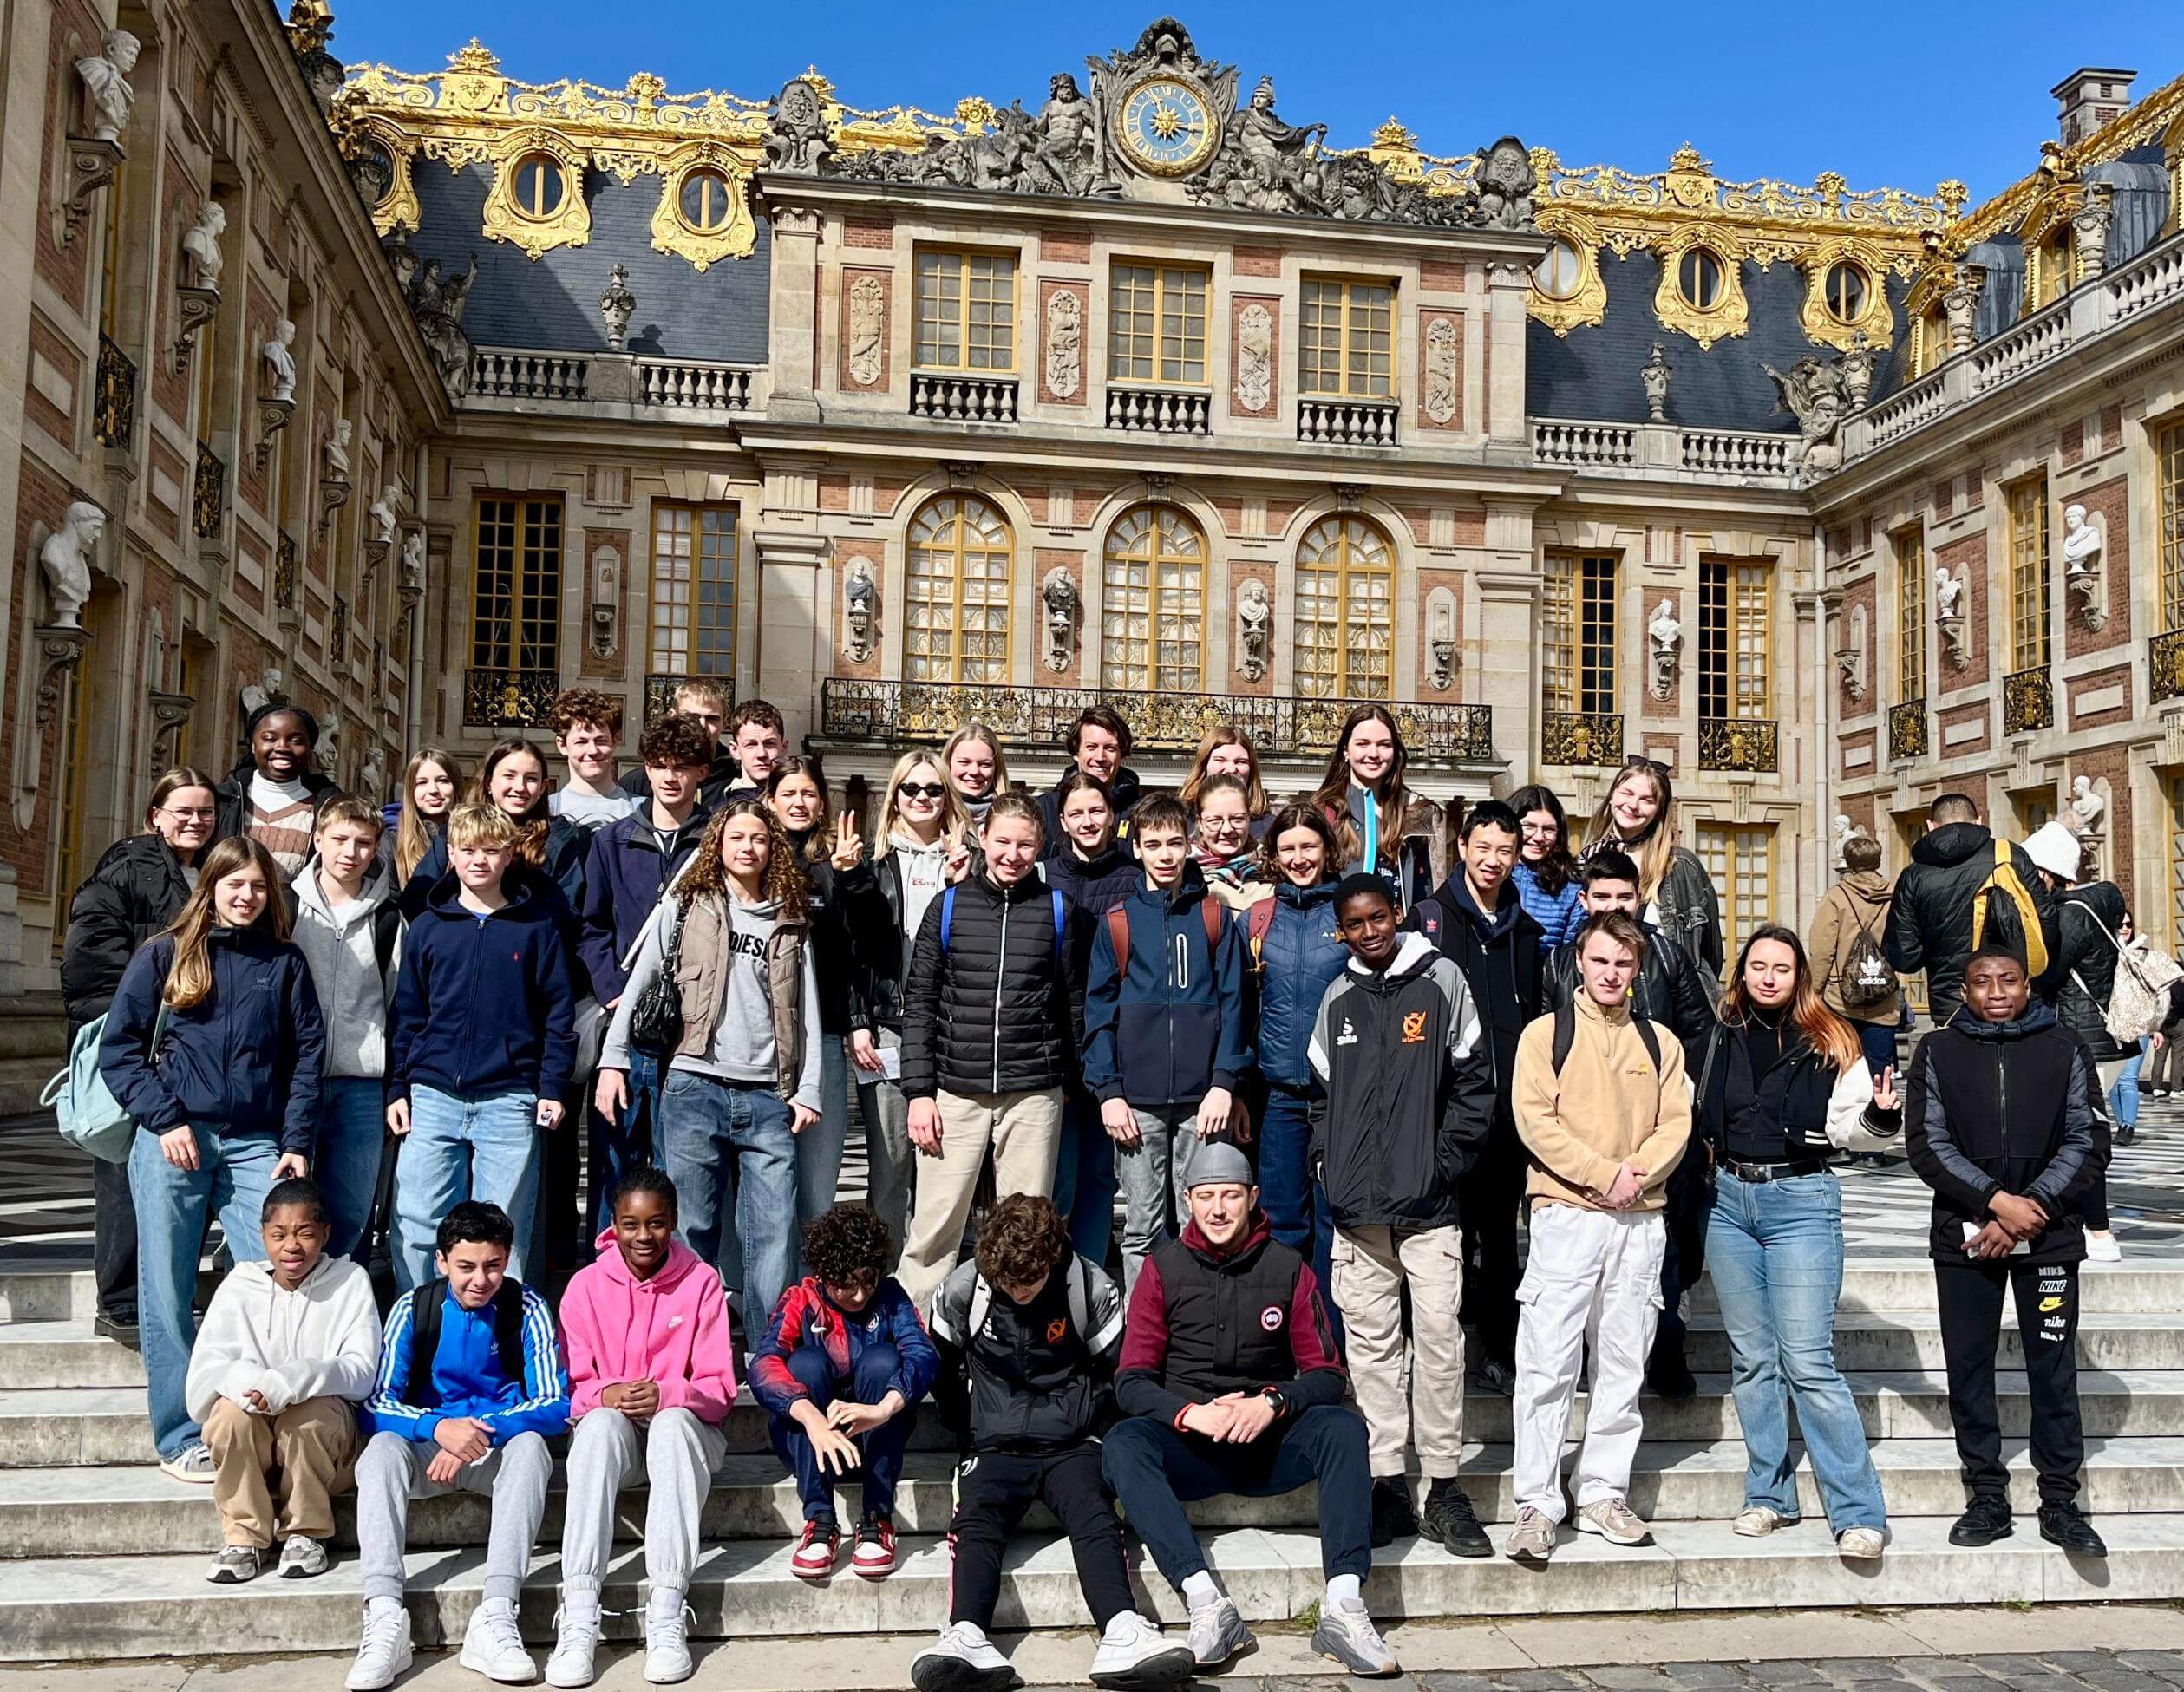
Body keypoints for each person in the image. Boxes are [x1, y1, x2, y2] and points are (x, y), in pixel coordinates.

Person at [1102, 1145, 1396, 1678]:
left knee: (1345, 1428)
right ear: (1188, 1200)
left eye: (1231, 1196)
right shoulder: (1161, 1269)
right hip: (1193, 1446)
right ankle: (1206, 1604)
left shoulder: (1288, 1268)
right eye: (1206, 1196)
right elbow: (1131, 1380)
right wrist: (1189, 1414)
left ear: (1253, 1198)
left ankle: (1344, 1606)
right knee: (1124, 1443)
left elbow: (1328, 1374)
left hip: (1269, 1446)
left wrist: (1275, 1402)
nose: (1218, 1209)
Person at [100, 836, 324, 1480]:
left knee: (272, 1275)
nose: (247, 896)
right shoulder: (166, 953)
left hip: (257, 1139)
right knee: (167, 1283)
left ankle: (263, 1412)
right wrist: (164, 1116)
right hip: (175, 1135)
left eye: (258, 886)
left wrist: (296, 1140)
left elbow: (307, 1058)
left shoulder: (283, 962)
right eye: (236, 884)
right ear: (213, 886)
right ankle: (178, 1430)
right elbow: (120, 1049)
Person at [918, 1195, 1193, 1692]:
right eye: (1008, 1282)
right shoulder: (965, 1287)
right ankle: (966, 1634)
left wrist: (1093, 1423)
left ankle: (1123, 1629)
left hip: (1071, 1441)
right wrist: (965, 1424)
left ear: (1051, 1259)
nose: (1018, 1291)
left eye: (1030, 1280)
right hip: (994, 1443)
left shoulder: (1087, 1286)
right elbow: (936, 1361)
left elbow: (1118, 1371)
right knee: (975, 1518)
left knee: (1095, 1514)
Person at [1694, 925, 1899, 1562]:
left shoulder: (1830, 1038)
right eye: (1758, 965)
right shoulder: (1717, 1036)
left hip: (1800, 1202)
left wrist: (1882, 1118)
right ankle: (1768, 1494)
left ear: (1798, 975)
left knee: (1808, 1361)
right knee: (1753, 1359)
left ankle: (1859, 1511)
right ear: (1742, 972)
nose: (1768, 977)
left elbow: (1854, 1126)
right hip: (1729, 1203)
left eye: (1781, 967)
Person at [1311, 874, 1494, 1556]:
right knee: (1373, 1348)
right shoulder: (1338, 997)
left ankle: (1442, 1483)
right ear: (1343, 930)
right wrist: (1327, 1167)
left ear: (1398, 914)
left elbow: (1476, 1084)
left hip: (1429, 1208)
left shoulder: (1442, 980)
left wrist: (1440, 1166)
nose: (1369, 931)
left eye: (1378, 918)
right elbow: (1318, 1097)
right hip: (1358, 1214)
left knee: (1441, 1344)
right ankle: (1388, 1479)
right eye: (1355, 923)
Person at [1902, 944, 2107, 1558]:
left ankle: (2061, 1499)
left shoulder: (2065, 1046)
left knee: (2053, 1366)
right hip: (1966, 1237)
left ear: (2027, 985)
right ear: (1964, 990)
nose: (1996, 991)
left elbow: (2088, 1138)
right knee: (1969, 1365)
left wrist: (2026, 1212)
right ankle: (1986, 1493)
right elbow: (1927, 1143)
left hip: (2048, 1237)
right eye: (1983, 981)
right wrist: (1994, 1199)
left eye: (2008, 980)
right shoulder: (1937, 1052)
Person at [1503, 912, 1690, 1564]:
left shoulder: (1660, 1041)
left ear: (1638, 969)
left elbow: (1676, 1124)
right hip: (1567, 1212)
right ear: (1580, 960)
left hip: (1640, 1216)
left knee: (1622, 1363)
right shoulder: (1545, 1034)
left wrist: (1635, 1175)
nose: (1612, 974)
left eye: (1624, 963)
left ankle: (1604, 1489)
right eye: (1602, 960)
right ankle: (1536, 1500)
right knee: (1548, 1360)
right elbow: (1535, 1121)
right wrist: (1600, 1173)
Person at [598, 799, 821, 1347]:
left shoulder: (790, 915)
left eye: (759, 839)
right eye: (737, 838)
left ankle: (772, 1350)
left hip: (769, 1093)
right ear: (717, 844)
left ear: (773, 849)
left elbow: (807, 1006)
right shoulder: (689, 903)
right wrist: (613, 1057)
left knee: (772, 1231)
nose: (748, 848)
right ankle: (691, 1345)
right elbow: (643, 978)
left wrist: (808, 1087)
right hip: (694, 1083)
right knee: (692, 1226)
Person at [349, 1200, 569, 1692]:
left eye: (493, 1265)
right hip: (431, 1456)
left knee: (533, 1446)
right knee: (381, 1450)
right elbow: (375, 1404)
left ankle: (496, 1613)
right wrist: (436, 1429)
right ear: (442, 1261)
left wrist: (475, 1431)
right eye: (466, 1266)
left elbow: (554, 1404)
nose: (480, 1279)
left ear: (508, 1258)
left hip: (494, 1454)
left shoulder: (525, 1306)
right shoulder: (414, 1307)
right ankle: (385, 1614)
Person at [548, 1169, 737, 1688]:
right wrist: (603, 1394)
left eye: (656, 1223)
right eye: (630, 1224)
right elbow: (566, 1387)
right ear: (612, 1224)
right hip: (620, 1444)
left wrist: (669, 1391)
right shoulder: (585, 1288)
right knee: (598, 1424)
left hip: (688, 1435)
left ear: (674, 1222)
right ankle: (581, 1607)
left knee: (673, 1423)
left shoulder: (701, 1281)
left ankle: (668, 1607)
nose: (643, 1236)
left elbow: (720, 1393)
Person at [898, 794, 1087, 1305]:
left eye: (1026, 844)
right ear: (983, 840)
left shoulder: (1057, 911)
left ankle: (1014, 1334)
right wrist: (918, 1091)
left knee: (1026, 1230)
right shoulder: (950, 906)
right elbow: (919, 1004)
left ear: (1041, 847)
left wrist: (1070, 1081)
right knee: (935, 1228)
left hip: (1032, 1093)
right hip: (954, 1092)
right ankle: (918, 1344)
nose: (1013, 854)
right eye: (1003, 841)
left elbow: (1073, 1006)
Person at [1539, 847, 1715, 1395]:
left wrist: (1685, 1110)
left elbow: (1701, 1034)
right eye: (1601, 897)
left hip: (1656, 1132)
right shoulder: (1560, 963)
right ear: (1584, 900)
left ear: (1640, 899)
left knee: (1667, 1250)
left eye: (1624, 896)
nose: (1613, 906)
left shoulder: (1667, 957)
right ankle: (1593, 1359)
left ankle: (1666, 1349)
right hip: (1585, 1140)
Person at [386, 803, 576, 1290]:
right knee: (419, 1222)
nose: (479, 860)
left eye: (491, 850)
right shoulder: (429, 926)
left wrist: (551, 1086)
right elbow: (407, 1014)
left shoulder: (536, 928)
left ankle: (499, 1341)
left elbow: (558, 1015)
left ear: (509, 855)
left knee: (503, 1231)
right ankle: (425, 1328)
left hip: (510, 1098)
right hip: (432, 1095)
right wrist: (397, 1089)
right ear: (450, 855)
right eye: (468, 850)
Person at [62, 765, 220, 1346]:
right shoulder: (127, 868)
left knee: (183, 1173)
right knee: (124, 1175)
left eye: (205, 811)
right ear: (156, 814)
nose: (196, 821)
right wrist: (139, 1021)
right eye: (183, 810)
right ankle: (121, 1298)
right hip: (138, 1045)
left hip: (194, 1050)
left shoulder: (213, 870)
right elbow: (89, 963)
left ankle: (168, 1288)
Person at [1404, 800, 1543, 1401]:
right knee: (1442, 1236)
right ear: (1462, 846)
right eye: (1482, 847)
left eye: (1504, 851)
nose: (1492, 860)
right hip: (1444, 1110)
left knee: (1499, 1235)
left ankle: (1499, 1349)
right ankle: (1435, 1349)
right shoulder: (1430, 919)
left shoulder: (1525, 929)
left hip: (1507, 1110)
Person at [1084, 794, 1249, 1294]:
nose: (1165, 854)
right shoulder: (1118, 922)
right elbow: (1098, 1015)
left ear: (1190, 846)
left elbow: (1236, 1006)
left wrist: (1225, 1082)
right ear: (1135, 849)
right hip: (1138, 1103)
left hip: (1204, 1103)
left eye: (1174, 843)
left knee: (1199, 1223)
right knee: (1141, 1228)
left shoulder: (1212, 917)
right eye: (1152, 844)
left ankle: (1197, 1332)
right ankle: (1142, 1343)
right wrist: (1108, 1091)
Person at [185, 1177, 378, 1583]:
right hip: (256, 1446)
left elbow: (361, 1373)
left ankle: (306, 1532)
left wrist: (295, 1380)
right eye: (279, 1235)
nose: (292, 1246)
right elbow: (203, 1378)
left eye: (306, 1234)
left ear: (325, 1234)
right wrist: (251, 1383)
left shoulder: (349, 1281)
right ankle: (244, 1536)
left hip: (327, 1450)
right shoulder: (240, 1285)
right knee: (227, 1416)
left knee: (305, 1417)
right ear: (262, 1236)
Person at [575, 711, 715, 1238]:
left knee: (682, 1158)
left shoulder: (716, 841)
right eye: (659, 766)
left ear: (702, 772)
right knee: (617, 1153)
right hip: (627, 1020)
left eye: (683, 766)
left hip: (694, 1023)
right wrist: (615, 994)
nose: (670, 777)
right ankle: (608, 1268)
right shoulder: (611, 842)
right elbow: (590, 927)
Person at [749, 1203, 938, 1581]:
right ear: (822, 1274)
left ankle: (876, 1517)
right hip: (813, 1440)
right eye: (845, 1284)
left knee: (884, 1360)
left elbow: (923, 1352)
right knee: (803, 1365)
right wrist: (811, 1418)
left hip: (875, 1435)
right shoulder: (801, 1299)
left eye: (866, 1280)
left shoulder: (889, 1296)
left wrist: (883, 1409)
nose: (858, 1294)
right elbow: (762, 1364)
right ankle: (820, 1517)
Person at [848, 753, 972, 1257]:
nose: (922, 798)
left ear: (948, 799)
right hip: (890, 1027)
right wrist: (859, 1021)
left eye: (933, 790)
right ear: (894, 799)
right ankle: (887, 1284)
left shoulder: (973, 865)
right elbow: (854, 949)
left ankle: (938, 1288)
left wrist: (965, 885)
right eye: (910, 789)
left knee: (946, 1167)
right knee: (892, 1165)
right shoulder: (873, 868)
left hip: (954, 1027)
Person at [1252, 804, 1351, 1350]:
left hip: (1340, 1098)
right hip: (1280, 1097)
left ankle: (1329, 1346)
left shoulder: (1347, 914)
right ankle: (1286, 1341)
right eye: (1287, 848)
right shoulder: (1259, 918)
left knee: (1333, 1225)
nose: (1298, 858)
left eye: (1308, 847)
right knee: (1283, 1222)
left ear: (1326, 849)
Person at [769, 755, 878, 1241]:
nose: (798, 802)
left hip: (824, 1032)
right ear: (770, 800)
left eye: (808, 794)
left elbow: (863, 944)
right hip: (760, 1040)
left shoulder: (836, 864)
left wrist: (851, 878)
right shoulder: (753, 856)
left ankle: (810, 1280)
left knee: (818, 1176)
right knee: (764, 1179)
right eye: (788, 792)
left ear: (822, 804)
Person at [289, 798, 402, 1262]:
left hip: (361, 1083)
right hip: (293, 1079)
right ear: (318, 839)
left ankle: (339, 1307)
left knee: (351, 1209)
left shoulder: (390, 918)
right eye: (339, 839)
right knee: (285, 1204)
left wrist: (395, 1084)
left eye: (363, 843)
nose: (350, 852)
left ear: (377, 848)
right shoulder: (286, 905)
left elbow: (400, 1006)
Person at [1037, 769, 1136, 1264]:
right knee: (1059, 1176)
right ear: (1062, 821)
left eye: (1096, 810)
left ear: (1112, 816)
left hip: (1115, 1041)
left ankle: (1092, 1281)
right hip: (1055, 1043)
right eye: (1076, 812)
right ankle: (1051, 1285)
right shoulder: (1043, 877)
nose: (1087, 820)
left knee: (1101, 1176)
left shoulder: (1134, 877)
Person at [2023, 820, 2128, 1263]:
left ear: (2048, 874)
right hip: (2101, 1038)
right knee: (2080, 1132)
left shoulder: (2068, 915)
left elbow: (2044, 973)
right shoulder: (2092, 906)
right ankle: (2082, 1225)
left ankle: (2100, 1232)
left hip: (2081, 1036)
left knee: (2084, 1136)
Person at [1883, 791, 2060, 1030]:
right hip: (2011, 1000)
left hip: (1951, 1006)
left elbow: (1903, 958)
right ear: (1978, 821)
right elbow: (2047, 924)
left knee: (1957, 1066)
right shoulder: (2009, 856)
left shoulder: (1914, 875)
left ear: (1930, 826)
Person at [398, 737, 588, 926]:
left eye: (531, 778)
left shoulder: (559, 841)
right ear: (489, 782)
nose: (520, 787)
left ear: (543, 787)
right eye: (509, 776)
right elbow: (416, 903)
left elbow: (569, 910)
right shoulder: (454, 831)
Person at [1579, 760, 1723, 985]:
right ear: (1612, 796)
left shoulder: (1682, 867)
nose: (1634, 805)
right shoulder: (1584, 861)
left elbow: (1711, 953)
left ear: (1659, 810)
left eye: (1647, 800)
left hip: (1673, 999)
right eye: (1627, 792)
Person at [1310, 703, 1446, 914]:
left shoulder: (1416, 810)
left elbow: (1426, 887)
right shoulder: (1324, 812)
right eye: (1362, 744)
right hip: (1341, 936)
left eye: (1383, 745)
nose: (1373, 753)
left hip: (1400, 936)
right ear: (1346, 750)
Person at [1808, 834, 1902, 1079]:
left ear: (1848, 862)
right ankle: (1878, 1114)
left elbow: (1822, 950)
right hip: (1882, 996)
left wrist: (1814, 991)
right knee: (1880, 1074)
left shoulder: (1837, 896)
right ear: (1878, 861)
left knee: (1839, 1070)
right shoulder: (1896, 895)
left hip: (1840, 998)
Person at [213, 702, 342, 876]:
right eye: (270, 739)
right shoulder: (221, 800)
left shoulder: (331, 808)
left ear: (310, 749)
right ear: (253, 745)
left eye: (296, 741)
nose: (282, 747)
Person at [618, 680, 742, 811]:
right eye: (693, 717)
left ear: (725, 722)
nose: (702, 726)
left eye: (712, 719)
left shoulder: (736, 778)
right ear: (672, 715)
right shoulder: (638, 783)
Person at [1038, 705, 1141, 859]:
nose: (1100, 757)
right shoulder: (1044, 811)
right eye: (1091, 747)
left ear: (1122, 755)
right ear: (1076, 752)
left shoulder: (1141, 813)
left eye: (1110, 748)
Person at [546, 687, 638, 833]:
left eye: (601, 741)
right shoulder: (546, 812)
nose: (593, 751)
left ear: (614, 742)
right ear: (562, 745)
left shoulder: (643, 810)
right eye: (581, 742)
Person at [1507, 784, 1582, 957]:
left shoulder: (1571, 889)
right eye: (1529, 826)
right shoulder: (1491, 876)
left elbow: (1568, 957)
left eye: (1549, 829)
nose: (1539, 837)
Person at [1191, 774, 1273, 912]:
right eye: (1215, 820)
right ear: (1200, 823)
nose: (1227, 829)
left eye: (1237, 819)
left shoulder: (1271, 872)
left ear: (1249, 819)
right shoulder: (1181, 876)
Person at [386, 748, 463, 886]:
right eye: (422, 782)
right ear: (410, 790)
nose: (433, 790)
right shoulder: (391, 839)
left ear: (456, 786)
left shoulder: (477, 835)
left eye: (443, 780)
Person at [1178, 727, 1269, 839]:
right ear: (1204, 765)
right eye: (1220, 760)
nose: (1231, 769)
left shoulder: (1270, 829)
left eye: (1240, 762)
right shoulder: (1177, 822)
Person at [940, 722, 1011, 830]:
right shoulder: (931, 817)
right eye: (964, 762)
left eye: (985, 764)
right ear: (948, 763)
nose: (974, 772)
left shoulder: (1014, 818)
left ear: (996, 768)